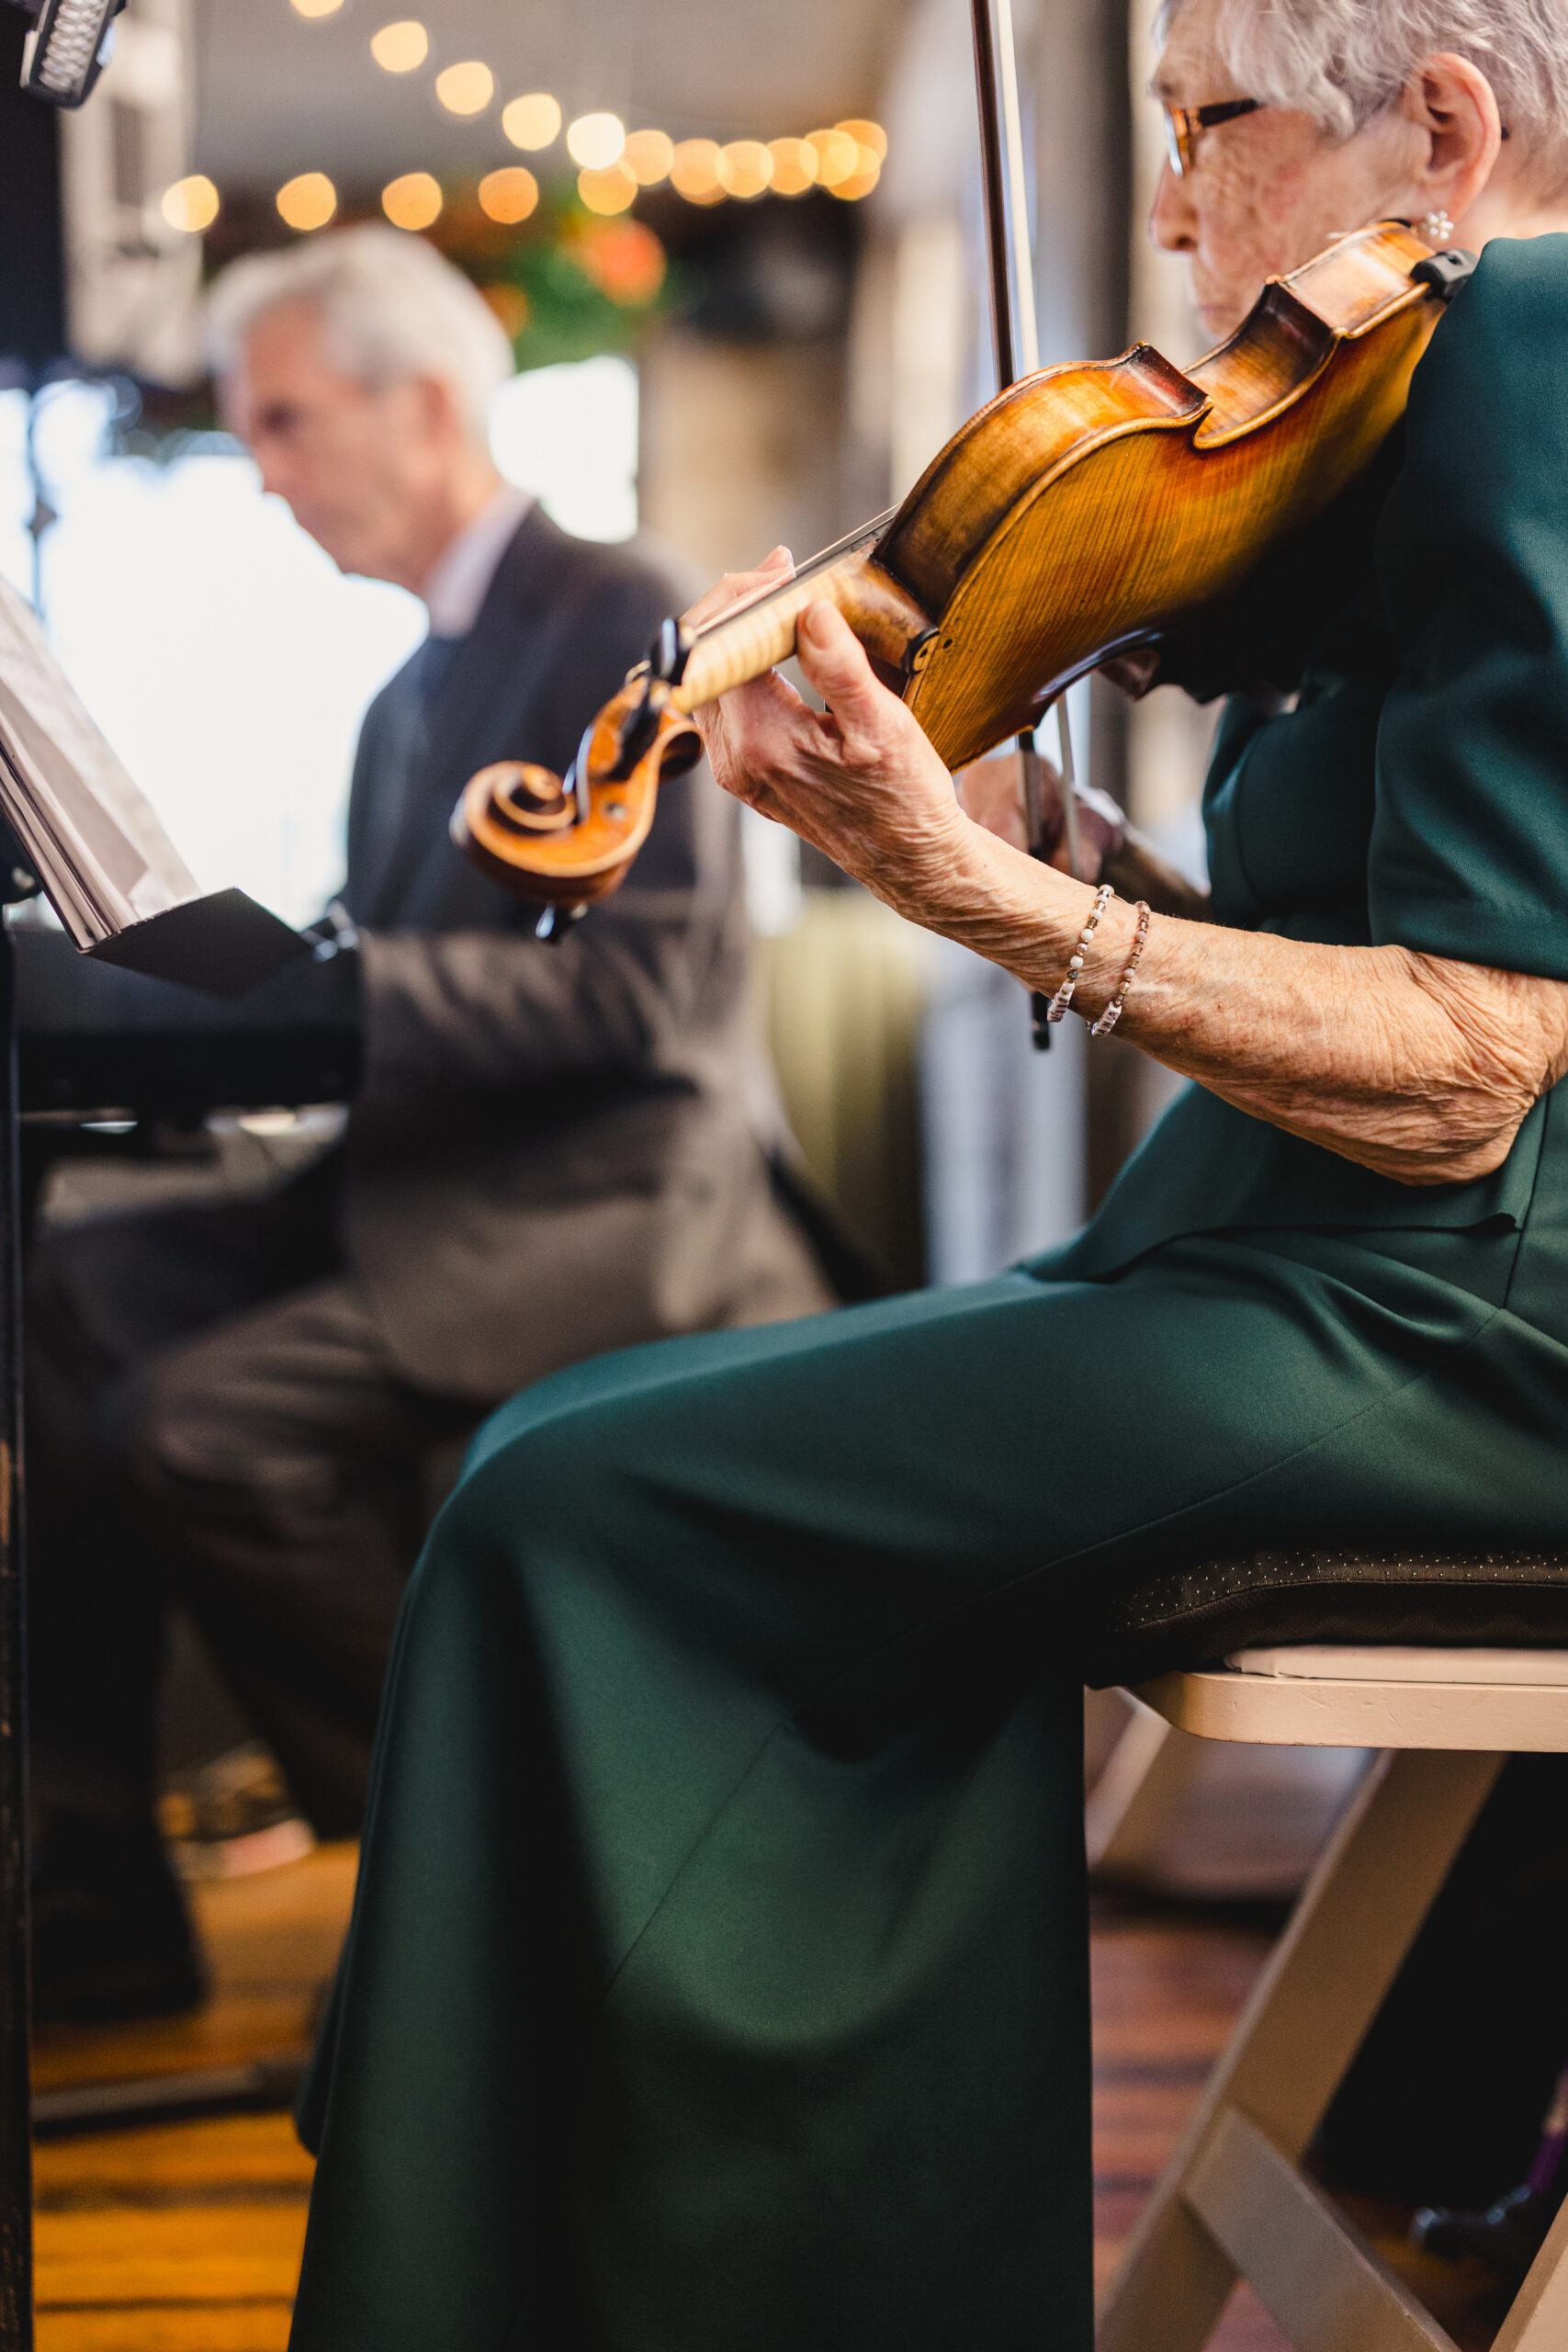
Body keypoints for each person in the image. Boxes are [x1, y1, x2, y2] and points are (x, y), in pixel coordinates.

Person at [288, 6, 1568, 2346]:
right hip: (1313, 1252)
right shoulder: (1414, 402)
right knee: (562, 1450)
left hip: (1459, 1309)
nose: (1177, 212)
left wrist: (997, 908)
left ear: (1449, 134)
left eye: (1207, 134)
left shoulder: (1537, 346)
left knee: (579, 1500)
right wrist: (1031, 835)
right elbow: (1345, 959)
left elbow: (1479, 1065)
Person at [24, 225, 832, 2022]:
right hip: (425, 1184)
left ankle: (501, 1877)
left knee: (192, 1427)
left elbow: (632, 1000)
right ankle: (93, 1880)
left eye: (288, 420)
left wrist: (325, 988)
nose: (265, 468)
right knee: (68, 1293)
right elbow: (362, 980)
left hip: (593, 1215)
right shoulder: (409, 690)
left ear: (429, 403)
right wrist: (159, 1008)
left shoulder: (620, 608)